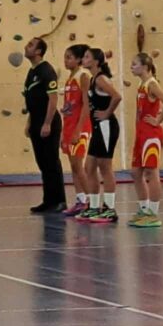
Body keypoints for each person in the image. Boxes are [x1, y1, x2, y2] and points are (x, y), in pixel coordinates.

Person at [128, 53, 163, 229]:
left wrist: (158, 120)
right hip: (141, 134)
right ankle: (144, 209)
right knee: (135, 172)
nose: (131, 67)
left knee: (151, 172)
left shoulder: (152, 84)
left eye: (134, 64)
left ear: (145, 67)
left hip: (151, 134)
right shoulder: (142, 85)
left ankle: (153, 214)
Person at [77, 48, 121, 223]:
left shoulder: (101, 79)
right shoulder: (93, 79)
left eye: (87, 57)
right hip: (97, 127)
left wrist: (107, 113)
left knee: (105, 167)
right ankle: (94, 207)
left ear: (96, 61)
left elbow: (117, 96)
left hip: (106, 126)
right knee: (89, 166)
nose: (84, 59)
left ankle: (109, 209)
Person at [22, 37, 65, 213]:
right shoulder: (32, 72)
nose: (26, 47)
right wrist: (30, 122)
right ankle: (48, 200)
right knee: (43, 164)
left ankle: (60, 200)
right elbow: (32, 100)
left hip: (48, 122)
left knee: (51, 162)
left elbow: (53, 99)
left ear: (39, 51)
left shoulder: (46, 71)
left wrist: (47, 123)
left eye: (31, 45)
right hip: (36, 121)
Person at [61, 44, 92, 217]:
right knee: (73, 166)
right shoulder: (69, 79)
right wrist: (63, 132)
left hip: (80, 127)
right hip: (69, 126)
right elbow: (68, 107)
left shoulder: (83, 76)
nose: (65, 60)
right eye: (65, 57)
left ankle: (92, 203)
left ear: (79, 59)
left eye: (69, 57)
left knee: (78, 166)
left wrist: (78, 130)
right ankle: (81, 200)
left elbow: (87, 105)